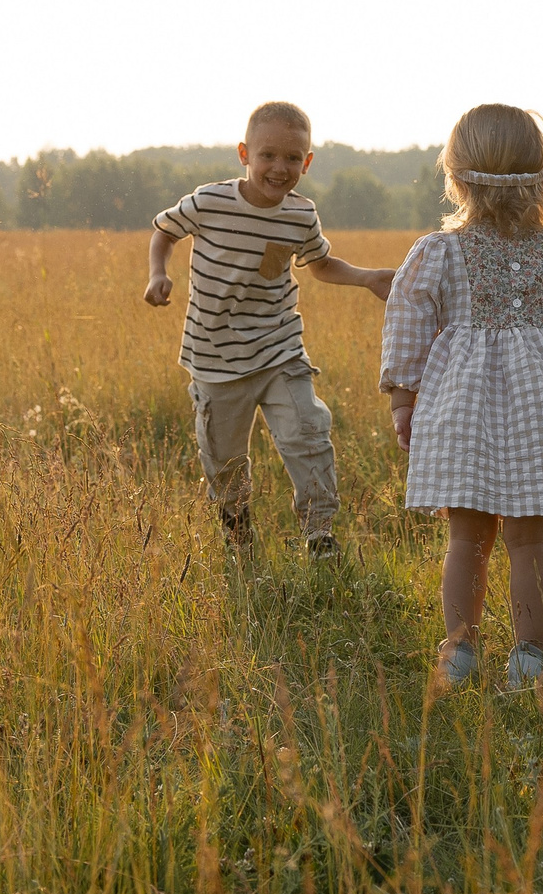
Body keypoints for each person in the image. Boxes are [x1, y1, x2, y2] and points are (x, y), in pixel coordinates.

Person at [378, 105, 543, 692]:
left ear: (456, 175)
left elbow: (408, 325)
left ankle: (460, 653)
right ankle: (530, 658)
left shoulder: (438, 252)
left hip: (460, 405)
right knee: (532, 538)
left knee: (467, 537)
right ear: (541, 173)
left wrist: (403, 398)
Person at [144, 102, 394, 558]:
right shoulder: (210, 201)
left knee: (307, 431)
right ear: (244, 153)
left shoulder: (301, 215)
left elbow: (320, 264)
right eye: (268, 155)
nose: (280, 168)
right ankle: (237, 535)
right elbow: (164, 230)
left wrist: (367, 277)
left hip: (280, 349)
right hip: (216, 358)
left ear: (307, 162)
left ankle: (319, 534)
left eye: (293, 158)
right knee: (224, 461)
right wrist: (158, 273)